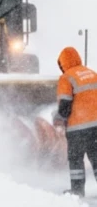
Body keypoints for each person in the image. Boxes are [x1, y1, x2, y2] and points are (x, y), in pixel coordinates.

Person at [54, 46, 97, 197]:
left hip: (78, 128)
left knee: (76, 159)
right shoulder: (92, 73)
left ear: (63, 63)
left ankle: (77, 191)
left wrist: (59, 117)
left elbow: (65, 103)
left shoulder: (66, 77)